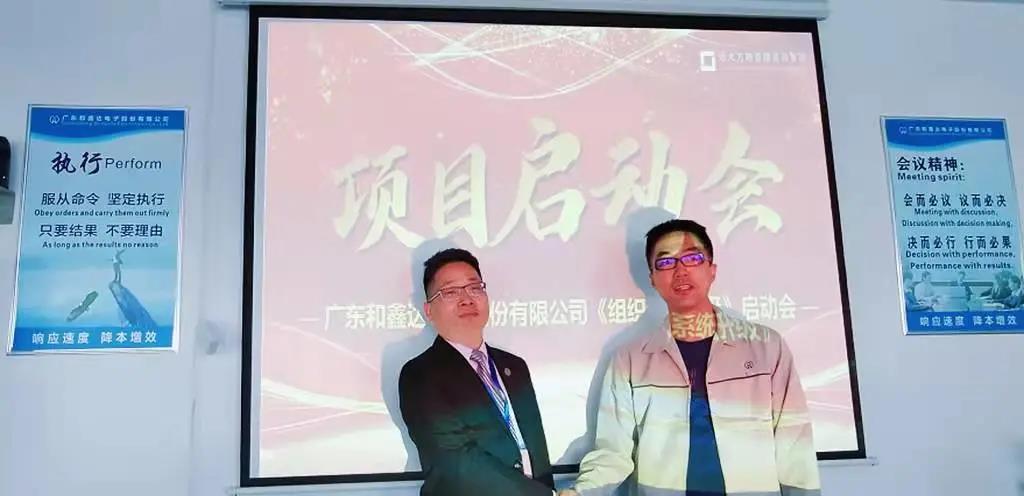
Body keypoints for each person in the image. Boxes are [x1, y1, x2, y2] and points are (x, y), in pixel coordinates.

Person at [561, 219, 820, 496]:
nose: (681, 270)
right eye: (665, 262)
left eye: (692, 258)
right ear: (652, 278)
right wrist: (579, 492)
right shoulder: (630, 360)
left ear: (712, 270)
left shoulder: (766, 346)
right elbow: (613, 453)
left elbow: (795, 447)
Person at [399, 248, 555, 496]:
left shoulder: (515, 366)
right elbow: (456, 461)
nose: (467, 299)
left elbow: (536, 450)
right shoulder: (420, 374)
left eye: (475, 287)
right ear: (429, 311)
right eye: (451, 292)